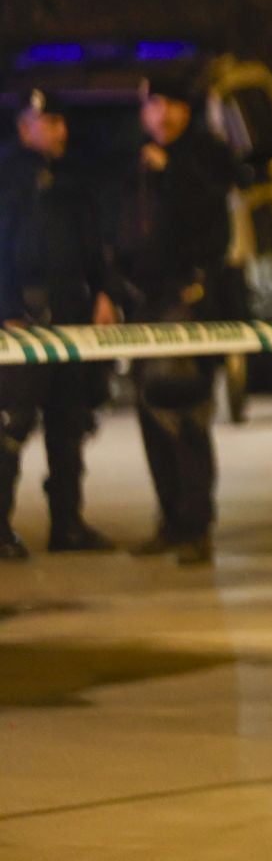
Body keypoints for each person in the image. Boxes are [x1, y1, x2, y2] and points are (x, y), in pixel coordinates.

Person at [120, 72, 238, 565]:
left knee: (185, 412)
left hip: (189, 300)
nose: (160, 115)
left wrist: (172, 174)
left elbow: (211, 227)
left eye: (169, 104)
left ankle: (195, 525)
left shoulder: (205, 156)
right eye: (152, 105)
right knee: (151, 413)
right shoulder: (139, 158)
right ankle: (170, 520)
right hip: (144, 303)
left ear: (187, 109)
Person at [0, 88, 118, 559]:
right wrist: (6, 309)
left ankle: (67, 525)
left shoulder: (74, 176)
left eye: (62, 122)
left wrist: (105, 291)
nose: (60, 130)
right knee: (11, 426)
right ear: (24, 126)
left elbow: (94, 242)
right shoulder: (8, 176)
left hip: (71, 313)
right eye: (48, 122)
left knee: (68, 424)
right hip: (22, 318)